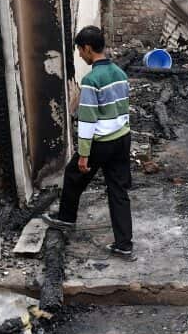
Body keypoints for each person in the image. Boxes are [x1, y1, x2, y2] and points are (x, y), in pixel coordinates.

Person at [43, 26, 135, 260]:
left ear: (87, 48)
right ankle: (124, 244)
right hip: (122, 138)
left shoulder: (91, 80)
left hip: (101, 142)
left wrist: (84, 154)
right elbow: (124, 109)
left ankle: (66, 218)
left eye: (80, 50)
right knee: (118, 191)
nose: (80, 55)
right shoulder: (120, 74)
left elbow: (87, 121)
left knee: (74, 175)